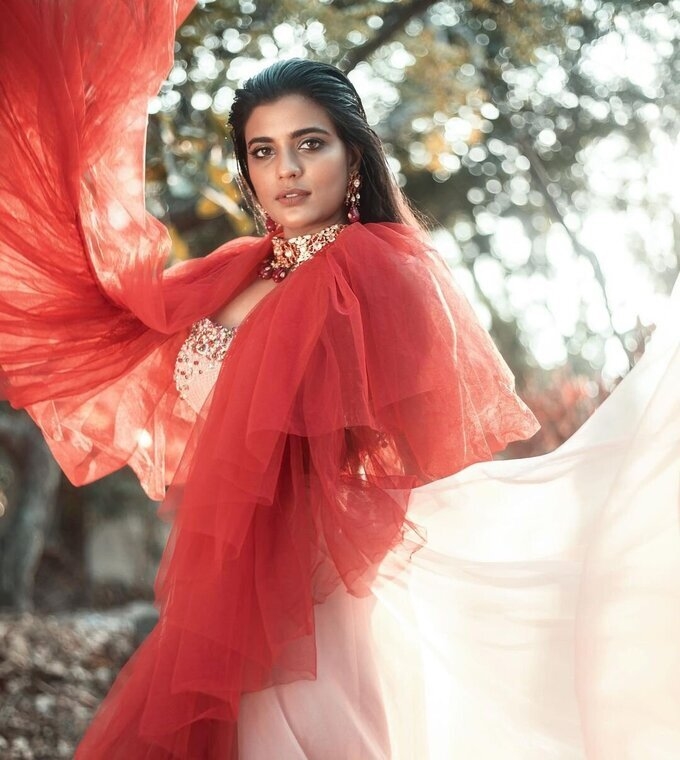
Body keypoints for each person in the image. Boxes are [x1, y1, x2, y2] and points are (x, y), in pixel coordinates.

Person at [0, 2, 678, 759]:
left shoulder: (377, 273)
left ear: (353, 158)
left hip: (325, 608)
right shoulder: (232, 271)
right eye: (262, 151)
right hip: (225, 600)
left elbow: (410, 454)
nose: (285, 170)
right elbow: (113, 311)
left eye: (308, 144)